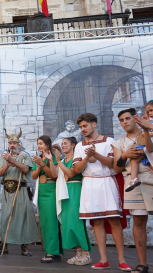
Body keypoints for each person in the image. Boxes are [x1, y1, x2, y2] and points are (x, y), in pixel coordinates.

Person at [73, 113, 131, 271]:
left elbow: (114, 165)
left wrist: (96, 155)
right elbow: (77, 169)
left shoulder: (109, 141)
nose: (82, 129)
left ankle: (121, 260)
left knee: (114, 220)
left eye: (85, 126)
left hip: (107, 181)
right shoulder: (79, 146)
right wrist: (87, 158)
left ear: (94, 124)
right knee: (97, 221)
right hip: (89, 183)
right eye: (80, 127)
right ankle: (103, 260)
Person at [113, 108, 152, 273]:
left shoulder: (148, 131)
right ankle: (142, 264)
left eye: (127, 118)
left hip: (150, 176)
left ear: (135, 118)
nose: (125, 122)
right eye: (121, 120)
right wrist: (125, 155)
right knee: (138, 221)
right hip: (132, 181)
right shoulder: (118, 143)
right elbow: (116, 168)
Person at [0, 129, 40, 256]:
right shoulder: (4, 156)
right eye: (10, 143)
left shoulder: (24, 156)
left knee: (22, 216)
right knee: (6, 217)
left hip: (21, 189)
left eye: (14, 143)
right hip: (7, 191)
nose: (12, 145)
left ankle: (24, 246)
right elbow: (0, 173)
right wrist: (7, 164)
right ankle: (4, 245)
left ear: (19, 144)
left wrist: (13, 161)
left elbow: (25, 170)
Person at [56, 137, 93, 265]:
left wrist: (58, 162)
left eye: (65, 143)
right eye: (62, 144)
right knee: (68, 223)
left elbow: (71, 174)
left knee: (76, 222)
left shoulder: (75, 159)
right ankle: (78, 253)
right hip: (64, 191)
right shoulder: (62, 160)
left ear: (73, 145)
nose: (63, 145)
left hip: (75, 189)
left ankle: (86, 253)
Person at [31, 135, 63, 263]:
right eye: (38, 143)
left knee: (51, 221)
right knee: (44, 221)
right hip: (41, 190)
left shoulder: (54, 157)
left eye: (41, 143)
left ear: (48, 144)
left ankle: (52, 252)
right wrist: (39, 165)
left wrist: (43, 164)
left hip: (51, 189)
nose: (39, 146)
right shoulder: (38, 158)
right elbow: (33, 176)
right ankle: (53, 251)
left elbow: (53, 175)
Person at [126, 101, 153, 192]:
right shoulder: (149, 122)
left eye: (152, 110)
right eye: (148, 111)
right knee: (134, 159)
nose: (150, 113)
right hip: (148, 147)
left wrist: (149, 131)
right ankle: (133, 179)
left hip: (149, 147)